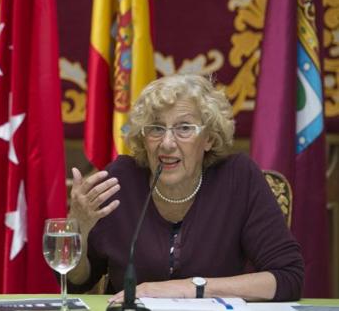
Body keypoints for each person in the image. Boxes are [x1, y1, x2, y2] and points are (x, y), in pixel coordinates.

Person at [67, 74, 304, 301]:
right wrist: (79, 230)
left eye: (184, 128)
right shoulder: (121, 181)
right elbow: (79, 280)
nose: (167, 144)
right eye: (157, 129)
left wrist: (190, 288)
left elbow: (287, 277)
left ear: (209, 138)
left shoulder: (238, 179)